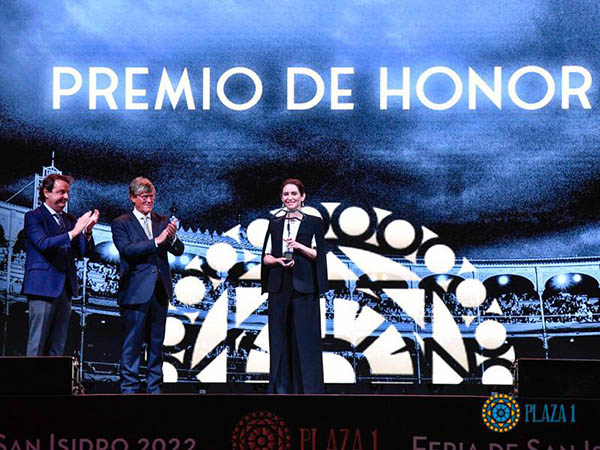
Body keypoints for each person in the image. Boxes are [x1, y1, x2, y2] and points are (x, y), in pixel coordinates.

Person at [111, 177, 184, 394]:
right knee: (132, 343)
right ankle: (129, 389)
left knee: (156, 344)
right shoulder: (121, 223)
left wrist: (172, 238)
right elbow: (127, 250)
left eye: (151, 196)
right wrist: (157, 241)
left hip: (160, 291)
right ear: (133, 198)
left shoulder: (162, 221)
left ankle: (154, 389)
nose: (149, 200)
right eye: (144, 197)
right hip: (135, 291)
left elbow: (178, 249)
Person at [261, 178, 328, 394]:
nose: (290, 198)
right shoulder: (275, 223)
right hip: (279, 287)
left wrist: (298, 246)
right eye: (286, 194)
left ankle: (309, 391)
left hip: (304, 287)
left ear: (302, 197)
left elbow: (317, 254)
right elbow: (266, 257)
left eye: (294, 194)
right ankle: (280, 390)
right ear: (281, 198)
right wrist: (277, 261)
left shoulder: (313, 222)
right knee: (279, 341)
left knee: (306, 341)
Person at [23, 174, 98, 356]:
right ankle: (30, 376)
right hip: (42, 287)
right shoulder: (34, 217)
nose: (66, 197)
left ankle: (52, 376)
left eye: (67, 192)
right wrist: (74, 232)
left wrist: (87, 232)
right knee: (37, 344)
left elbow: (84, 252)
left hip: (65, 289)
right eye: (61, 192)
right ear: (46, 192)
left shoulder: (70, 220)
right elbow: (43, 244)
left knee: (57, 346)